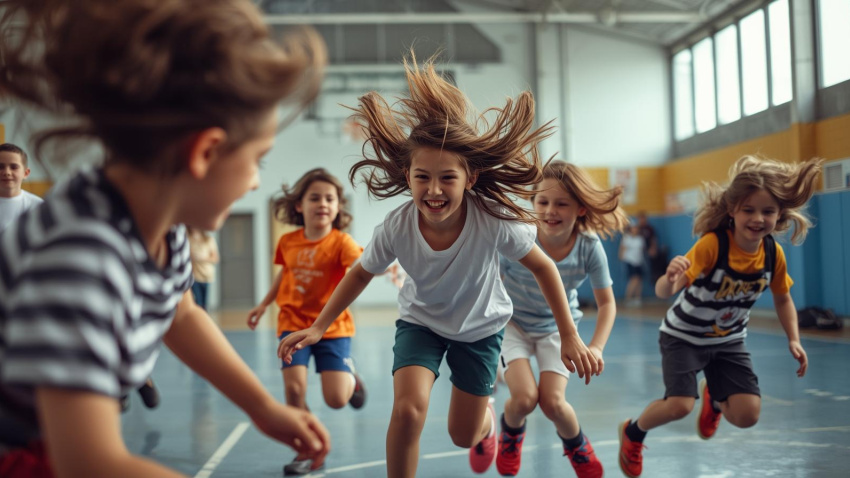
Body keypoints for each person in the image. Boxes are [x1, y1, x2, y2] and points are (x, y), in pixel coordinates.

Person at [0, 1, 329, 476]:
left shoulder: (160, 227)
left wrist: (261, 406)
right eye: (257, 160)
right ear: (205, 152)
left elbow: (181, 313)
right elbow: (89, 462)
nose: (256, 182)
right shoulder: (80, 261)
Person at [279, 53, 601, 478]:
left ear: (469, 178)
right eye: (421, 177)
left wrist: (569, 335)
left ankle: (487, 425)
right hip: (422, 324)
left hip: (480, 329)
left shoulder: (493, 221)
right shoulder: (397, 226)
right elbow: (360, 273)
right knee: (408, 413)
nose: (433, 190)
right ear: (407, 176)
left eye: (447, 177)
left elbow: (544, 268)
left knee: (462, 436)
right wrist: (320, 325)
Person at [618, 155, 822, 478]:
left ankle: (715, 398)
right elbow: (663, 291)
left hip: (728, 341)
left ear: (779, 214)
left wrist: (794, 339)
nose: (758, 219)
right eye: (748, 210)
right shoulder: (713, 245)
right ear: (732, 210)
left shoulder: (772, 254)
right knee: (679, 406)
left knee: (747, 415)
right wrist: (670, 277)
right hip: (682, 336)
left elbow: (783, 299)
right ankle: (633, 433)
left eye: (768, 211)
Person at [497, 161, 628, 478]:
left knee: (553, 403)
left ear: (581, 209)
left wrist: (595, 347)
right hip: (512, 324)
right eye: (542, 202)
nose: (549, 211)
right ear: (533, 203)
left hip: (558, 328)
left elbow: (607, 303)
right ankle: (510, 434)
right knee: (525, 398)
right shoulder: (519, 238)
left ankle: (577, 445)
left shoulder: (588, 247)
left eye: (561, 204)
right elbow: (490, 283)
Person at [246, 168, 368, 476]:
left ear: (339, 206)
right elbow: (284, 274)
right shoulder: (288, 242)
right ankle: (307, 449)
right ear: (299, 205)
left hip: (332, 328)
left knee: (337, 400)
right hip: (292, 323)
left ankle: (350, 379)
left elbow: (360, 267)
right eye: (315, 197)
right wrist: (263, 304)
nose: (323, 203)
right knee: (295, 391)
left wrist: (384, 269)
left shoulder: (342, 243)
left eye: (330, 198)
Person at [0, 143, 44, 234]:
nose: (7, 172)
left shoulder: (38, 206)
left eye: (14, 167)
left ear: (26, 173)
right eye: (0, 167)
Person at [188, 227, 220, 311]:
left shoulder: (209, 240)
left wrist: (203, 258)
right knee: (198, 302)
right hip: (193, 275)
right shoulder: (187, 239)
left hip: (206, 275)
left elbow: (215, 258)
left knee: (204, 304)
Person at [619, 222, 646, 306]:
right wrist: (621, 257)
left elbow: (642, 250)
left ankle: (637, 298)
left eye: (636, 228)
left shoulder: (640, 239)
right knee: (634, 279)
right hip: (630, 261)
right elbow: (622, 250)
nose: (635, 229)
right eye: (633, 228)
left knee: (639, 280)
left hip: (639, 262)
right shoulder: (626, 238)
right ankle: (628, 298)